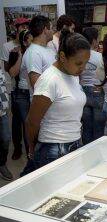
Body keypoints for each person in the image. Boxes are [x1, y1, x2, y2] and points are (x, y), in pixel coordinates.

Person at [25, 30, 90, 170]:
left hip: (75, 141)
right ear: (62, 56)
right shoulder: (49, 80)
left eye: (85, 63)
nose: (83, 68)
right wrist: (32, 149)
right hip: (53, 149)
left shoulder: (72, 74)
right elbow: (32, 122)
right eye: (79, 63)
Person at [0, 17, 30, 160]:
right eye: (21, 26)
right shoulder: (8, 46)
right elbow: (7, 69)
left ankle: (29, 148)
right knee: (17, 120)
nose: (24, 28)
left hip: (29, 89)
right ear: (16, 28)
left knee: (27, 120)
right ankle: (17, 148)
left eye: (26, 26)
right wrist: (15, 55)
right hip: (14, 88)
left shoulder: (30, 46)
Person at [7, 30, 33, 159]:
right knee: (23, 123)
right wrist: (21, 55)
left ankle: (30, 152)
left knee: (29, 124)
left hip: (33, 92)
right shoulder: (17, 53)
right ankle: (23, 151)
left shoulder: (37, 53)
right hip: (21, 93)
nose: (32, 41)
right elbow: (12, 73)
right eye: (30, 39)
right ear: (24, 41)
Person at [80, 27, 106, 144]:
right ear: (94, 40)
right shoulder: (100, 57)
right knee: (98, 128)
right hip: (97, 91)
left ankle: (86, 152)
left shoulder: (79, 56)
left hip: (83, 92)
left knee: (86, 127)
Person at [22, 15, 56, 92]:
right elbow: (37, 85)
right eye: (51, 28)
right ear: (45, 29)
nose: (53, 31)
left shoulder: (49, 49)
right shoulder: (33, 52)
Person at [0, 69, 13, 180]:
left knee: (6, 139)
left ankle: (2, 164)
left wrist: (5, 105)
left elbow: (2, 86)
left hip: (2, 112)